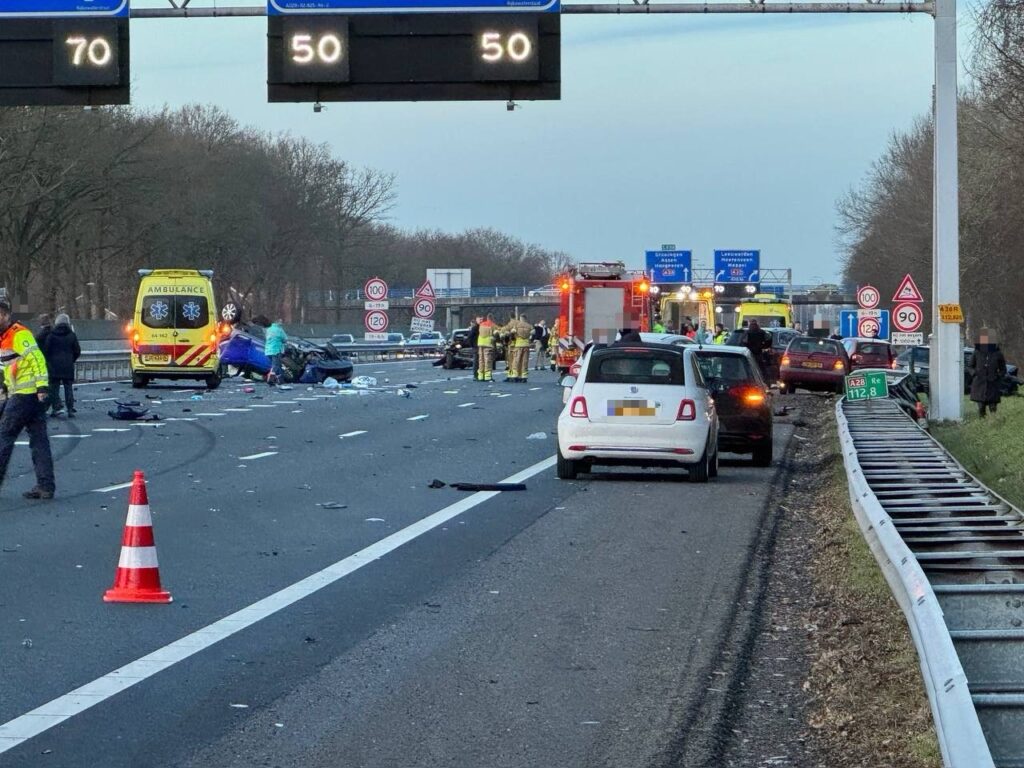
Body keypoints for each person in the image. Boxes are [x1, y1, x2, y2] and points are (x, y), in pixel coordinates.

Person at [0, 298, 56, 499]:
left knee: (4, 436)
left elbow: (37, 359)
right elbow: (9, 367)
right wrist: (4, 388)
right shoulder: (5, 338)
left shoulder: (19, 334)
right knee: (39, 440)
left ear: (7, 316)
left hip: (25, 395)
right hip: (28, 395)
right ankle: (45, 486)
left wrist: (42, 386)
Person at [42, 314, 81, 417]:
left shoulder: (51, 335)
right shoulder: (72, 335)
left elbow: (46, 350)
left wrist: (49, 361)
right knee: (68, 388)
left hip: (54, 366)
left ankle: (56, 408)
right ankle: (70, 409)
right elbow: (77, 350)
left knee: (54, 389)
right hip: (68, 366)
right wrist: (71, 359)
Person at [969, 329, 1007, 418]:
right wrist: (974, 374)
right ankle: (982, 422)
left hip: (993, 384)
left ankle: (993, 422)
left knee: (993, 407)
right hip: (979, 384)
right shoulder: (977, 352)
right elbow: (970, 366)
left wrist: (998, 376)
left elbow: (1003, 369)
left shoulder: (998, 353)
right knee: (981, 408)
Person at [264, 319, 288, 385]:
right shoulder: (279, 329)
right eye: (281, 322)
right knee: (275, 366)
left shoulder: (268, 329)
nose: (282, 323)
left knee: (277, 365)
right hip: (276, 350)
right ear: (277, 322)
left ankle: (281, 380)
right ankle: (270, 379)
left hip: (268, 351)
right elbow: (285, 339)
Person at [476, 314, 496, 382]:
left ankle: (481, 376)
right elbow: (496, 333)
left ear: (487, 318)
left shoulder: (481, 324)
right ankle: (488, 376)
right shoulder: (492, 325)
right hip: (488, 344)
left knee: (481, 360)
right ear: (492, 318)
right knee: (488, 360)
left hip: (480, 344)